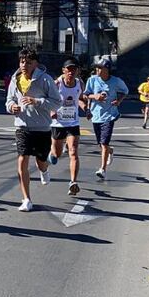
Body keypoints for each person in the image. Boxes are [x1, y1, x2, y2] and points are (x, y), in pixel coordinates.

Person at [5, 47, 60, 211]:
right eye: (22, 62)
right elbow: (8, 100)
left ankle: (44, 170)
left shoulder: (45, 80)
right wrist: (12, 107)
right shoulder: (15, 80)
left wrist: (37, 101)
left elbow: (57, 102)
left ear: (36, 64)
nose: (24, 65)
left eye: (28, 62)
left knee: (41, 160)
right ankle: (26, 199)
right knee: (22, 159)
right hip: (22, 126)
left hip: (42, 127)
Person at [84, 58, 128, 181]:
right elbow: (86, 94)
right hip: (96, 115)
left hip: (110, 115)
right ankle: (110, 150)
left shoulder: (116, 81)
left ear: (107, 69)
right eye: (96, 68)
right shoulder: (92, 80)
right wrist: (95, 97)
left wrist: (118, 101)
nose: (97, 70)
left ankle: (102, 169)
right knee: (101, 143)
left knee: (104, 143)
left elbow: (125, 91)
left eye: (100, 68)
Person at [47, 59, 86, 196]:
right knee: (57, 154)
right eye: (68, 69)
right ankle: (52, 153)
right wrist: (52, 111)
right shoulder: (56, 84)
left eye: (74, 69)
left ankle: (73, 182)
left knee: (74, 151)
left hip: (73, 122)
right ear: (63, 70)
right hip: (58, 124)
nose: (71, 72)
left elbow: (80, 98)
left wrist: (86, 108)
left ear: (77, 71)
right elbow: (47, 100)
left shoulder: (80, 83)